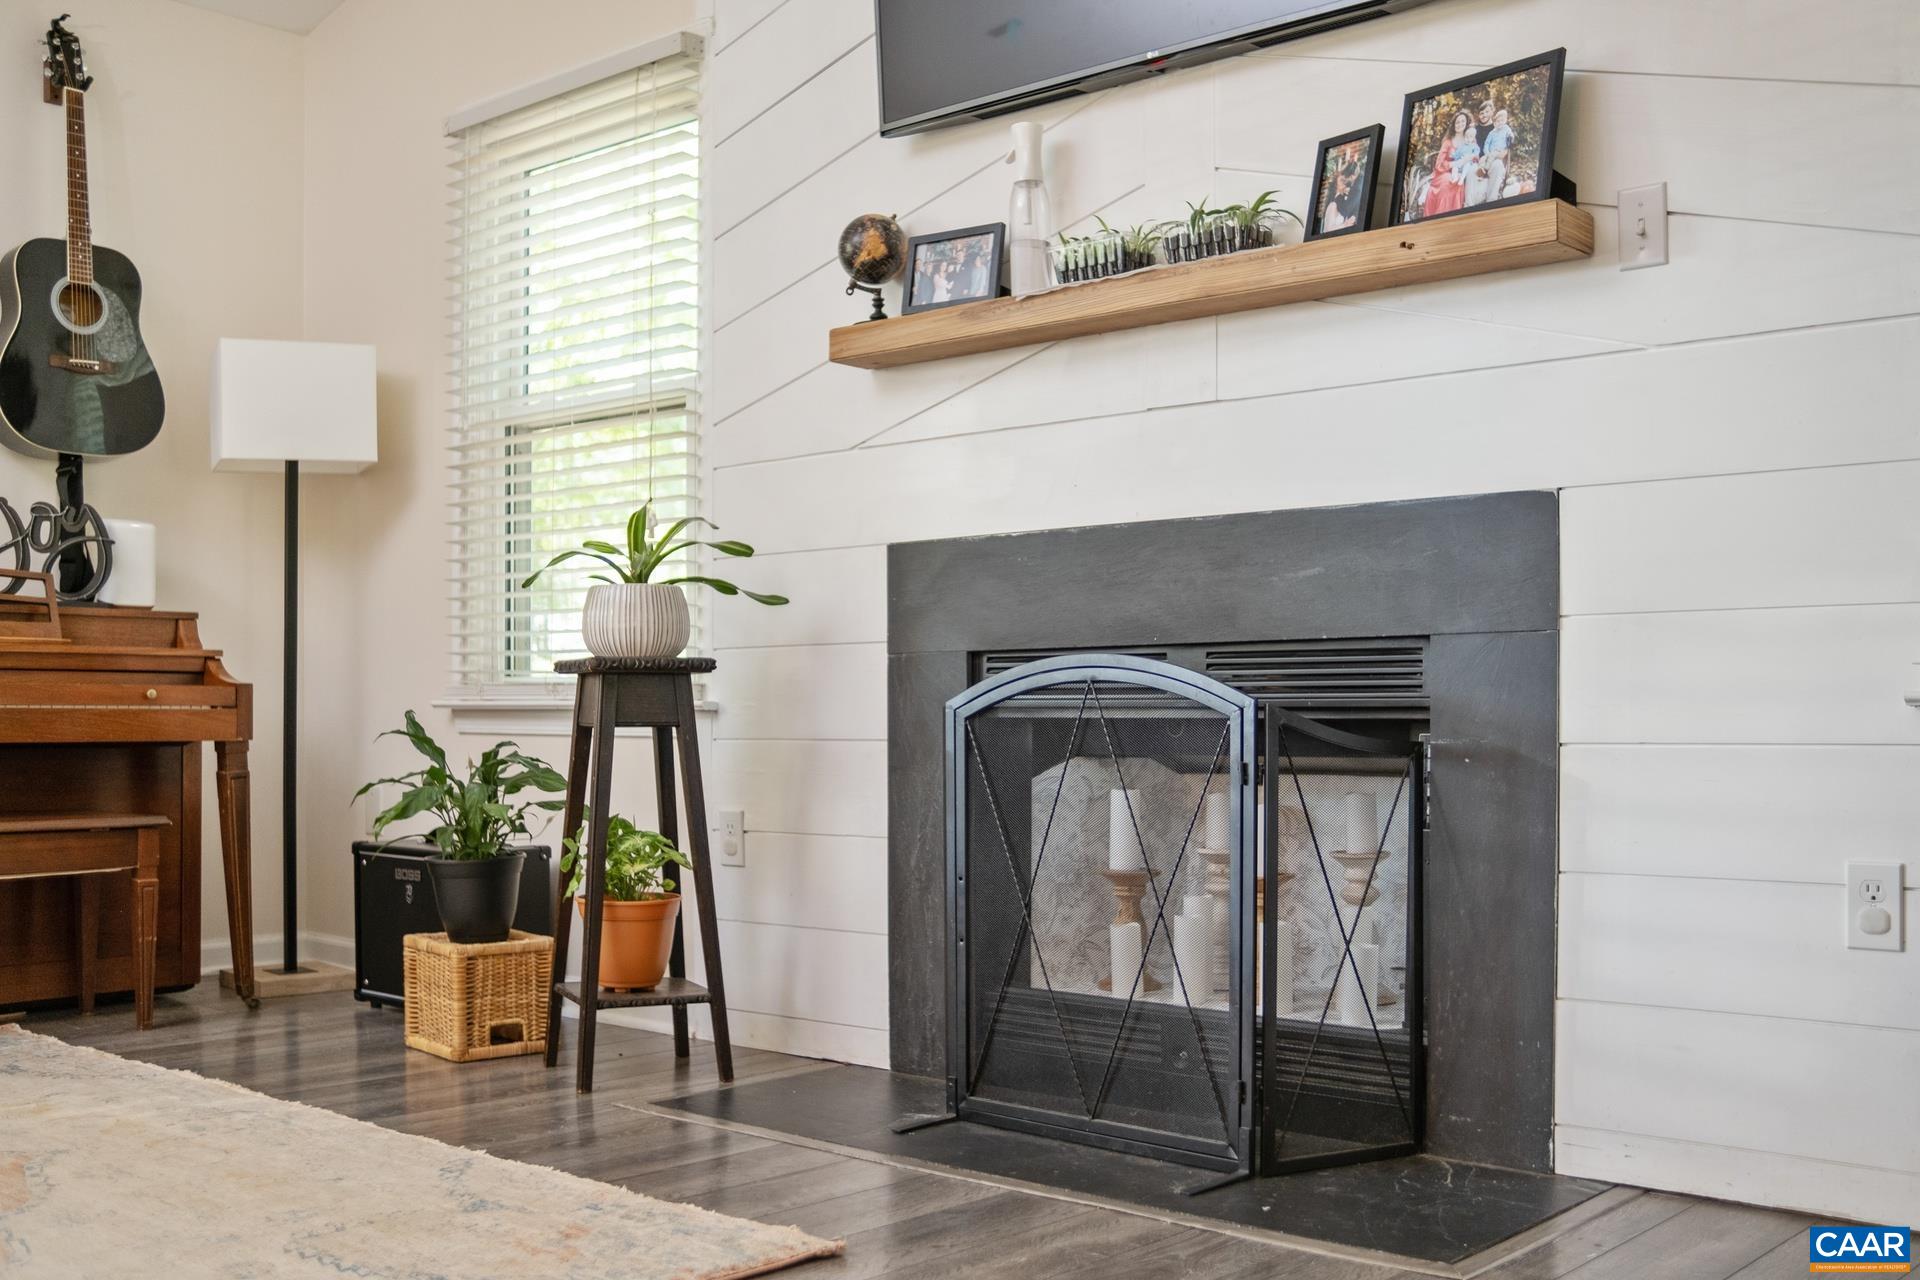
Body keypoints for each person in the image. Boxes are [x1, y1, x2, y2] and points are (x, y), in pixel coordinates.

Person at [1420, 110, 1474, 217]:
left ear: (1467, 123)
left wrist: (1467, 162)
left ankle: (1454, 217)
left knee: (1459, 182)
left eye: (1462, 121)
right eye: (1457, 122)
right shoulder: (1448, 142)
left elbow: (1475, 156)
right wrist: (1455, 164)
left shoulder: (1470, 139)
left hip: (1463, 172)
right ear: (1453, 125)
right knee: (1448, 182)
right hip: (1444, 173)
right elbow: (1439, 164)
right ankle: (1441, 217)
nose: (1460, 124)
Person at [1478, 106, 1514, 206]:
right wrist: (1487, 152)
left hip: (1499, 151)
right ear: (1495, 122)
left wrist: (1511, 139)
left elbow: (1511, 138)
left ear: (1505, 120)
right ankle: (1481, 171)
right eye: (1498, 121)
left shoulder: (1507, 129)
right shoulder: (1492, 133)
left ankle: (1485, 169)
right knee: (1483, 159)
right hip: (1490, 152)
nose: (1500, 123)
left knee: (1492, 159)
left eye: (1502, 120)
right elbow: (1486, 144)